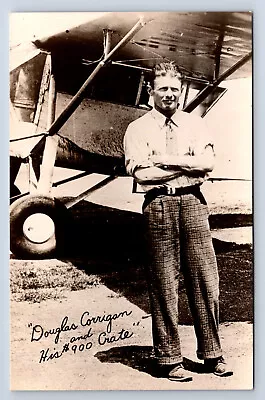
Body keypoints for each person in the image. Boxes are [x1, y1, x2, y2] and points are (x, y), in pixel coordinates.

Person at [123, 62, 233, 382]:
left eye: (174, 89)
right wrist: (187, 165)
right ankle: (170, 358)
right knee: (164, 284)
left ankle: (213, 354)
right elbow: (141, 174)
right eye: (163, 89)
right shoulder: (138, 129)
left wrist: (165, 160)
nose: (169, 94)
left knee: (205, 281)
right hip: (158, 205)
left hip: (194, 204)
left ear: (181, 90)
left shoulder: (196, 125)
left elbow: (207, 166)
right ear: (151, 91)